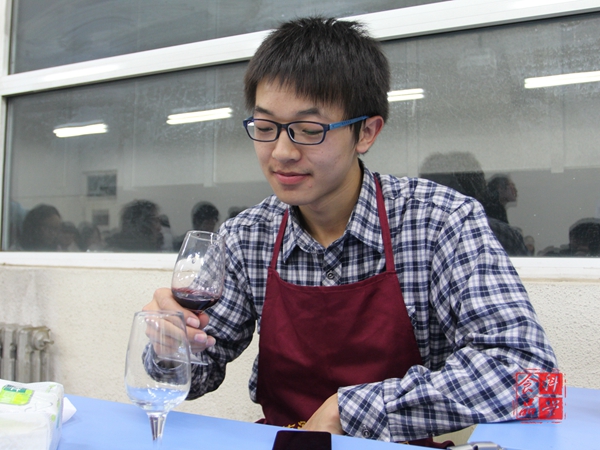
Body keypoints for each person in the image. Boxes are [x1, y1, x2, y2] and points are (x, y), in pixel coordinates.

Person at [144, 17, 557, 445]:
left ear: (366, 132)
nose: (281, 152)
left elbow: (532, 377)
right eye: (265, 128)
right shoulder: (247, 236)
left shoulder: (439, 222)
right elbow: (196, 375)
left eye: (308, 130)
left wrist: (348, 410)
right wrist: (170, 343)